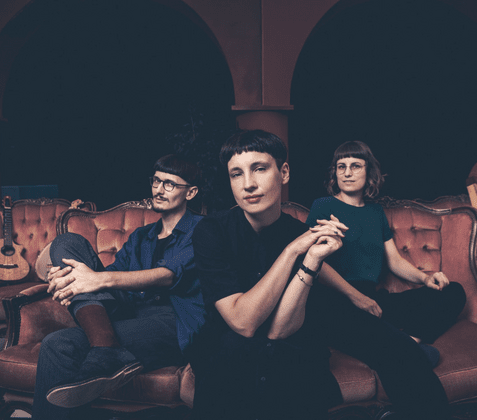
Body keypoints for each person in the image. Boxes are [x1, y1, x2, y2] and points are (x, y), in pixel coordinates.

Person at [31, 154, 205, 420]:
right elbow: (112, 275)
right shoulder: (141, 236)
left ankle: (105, 348)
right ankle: (106, 346)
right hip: (130, 312)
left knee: (58, 344)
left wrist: (96, 280)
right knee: (66, 242)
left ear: (190, 192)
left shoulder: (203, 230)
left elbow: (169, 275)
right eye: (156, 181)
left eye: (169, 184)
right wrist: (71, 277)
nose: (158, 190)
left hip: (174, 322)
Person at [307, 140, 466, 420]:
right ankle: (405, 349)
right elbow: (314, 264)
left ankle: (410, 341)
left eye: (355, 166)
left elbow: (394, 261)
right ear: (334, 173)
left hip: (373, 299)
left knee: (453, 292)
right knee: (395, 352)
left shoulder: (376, 213)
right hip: (337, 302)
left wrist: (425, 278)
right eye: (341, 166)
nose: (347, 172)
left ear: (369, 172)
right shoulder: (323, 206)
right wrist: (357, 298)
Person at [190, 130, 343, 420]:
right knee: (235, 355)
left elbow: (280, 330)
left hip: (288, 345)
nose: (248, 184)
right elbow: (243, 323)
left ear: (283, 173)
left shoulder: (300, 235)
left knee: (290, 360)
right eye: (236, 174)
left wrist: (311, 259)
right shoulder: (211, 231)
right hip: (228, 348)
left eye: (259, 169)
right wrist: (291, 252)